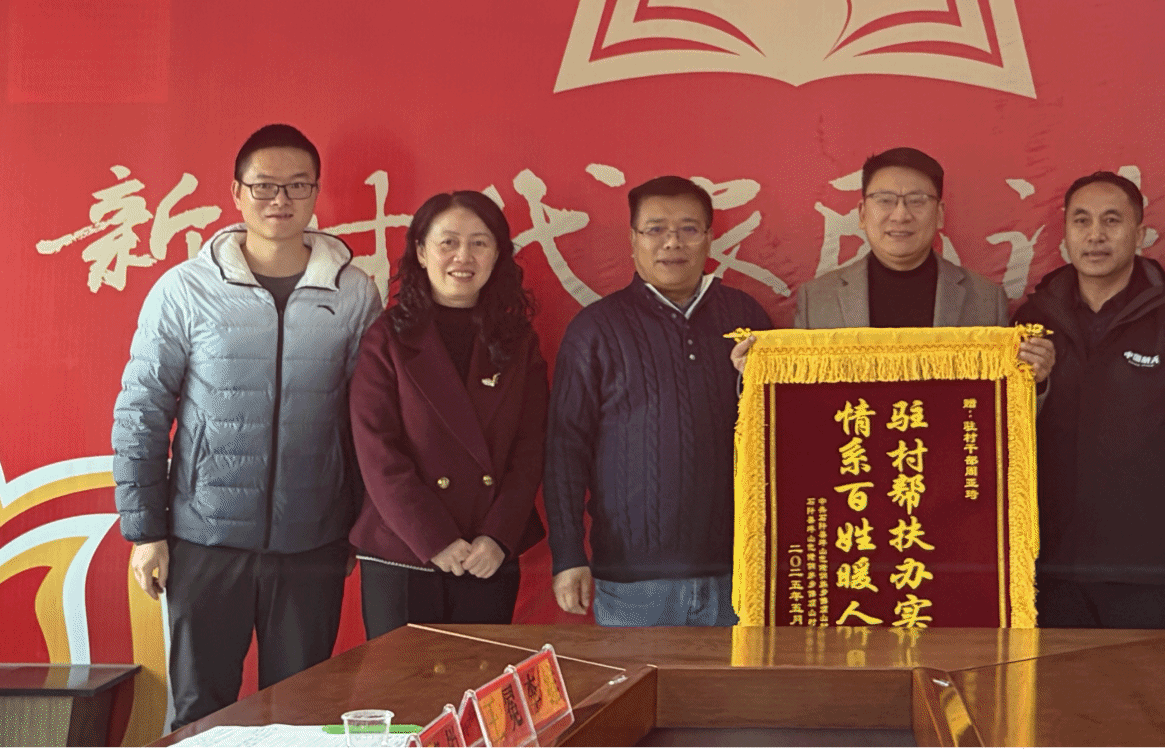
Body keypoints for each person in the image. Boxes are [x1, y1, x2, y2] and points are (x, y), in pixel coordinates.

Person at [113, 124, 380, 730]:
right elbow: (141, 411)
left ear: (315, 193)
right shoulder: (185, 290)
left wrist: (358, 526)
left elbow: (368, 421)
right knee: (201, 716)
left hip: (312, 542)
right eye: (264, 186)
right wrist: (146, 531)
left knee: (300, 717)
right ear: (237, 193)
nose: (280, 200)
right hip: (204, 541)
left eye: (297, 186)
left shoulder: (353, 293)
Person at [545, 174, 771, 626]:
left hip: (740, 573)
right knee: (636, 679)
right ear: (633, 240)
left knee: (737, 678)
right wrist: (568, 554)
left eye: (689, 229)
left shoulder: (745, 318)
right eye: (655, 229)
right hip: (633, 582)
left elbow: (782, 433)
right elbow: (565, 449)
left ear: (709, 238)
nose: (672, 242)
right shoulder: (595, 329)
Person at [1013, 171, 1165, 629]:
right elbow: (1003, 439)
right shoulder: (1032, 321)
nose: (1095, 235)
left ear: (1140, 233)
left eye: (1111, 221)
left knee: (1149, 680)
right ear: (1064, 236)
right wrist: (1036, 386)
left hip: (1150, 568)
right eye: (1081, 221)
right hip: (1051, 566)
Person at [350, 191, 547, 637]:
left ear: (498, 254)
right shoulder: (387, 338)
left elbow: (530, 448)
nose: (463, 256)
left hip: (486, 556)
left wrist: (497, 537)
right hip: (404, 551)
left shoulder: (518, 341)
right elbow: (377, 453)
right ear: (421, 252)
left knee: (480, 679)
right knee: (402, 681)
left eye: (479, 242)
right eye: (448, 242)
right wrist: (434, 539)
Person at [781, 146, 1053, 380]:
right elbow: (799, 397)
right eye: (885, 200)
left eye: (917, 201)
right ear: (862, 214)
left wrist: (1033, 378)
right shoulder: (817, 299)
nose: (900, 215)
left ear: (940, 214)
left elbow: (999, 401)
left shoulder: (984, 299)